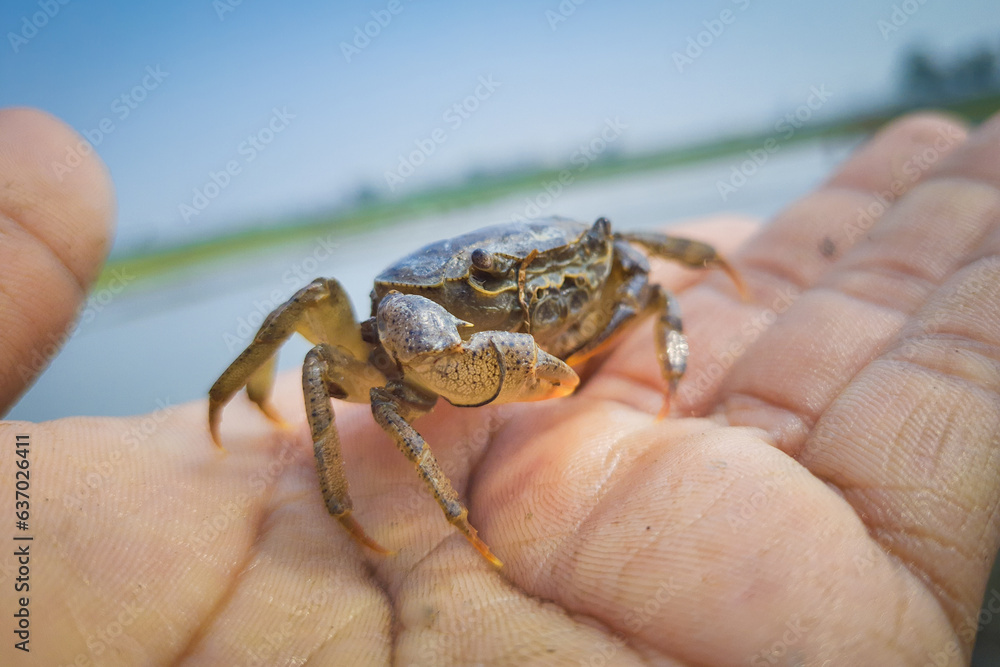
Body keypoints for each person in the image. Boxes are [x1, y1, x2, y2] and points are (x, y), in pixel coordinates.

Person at [1, 106, 997, 666]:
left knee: (644, 286)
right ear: (465, 287)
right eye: (498, 286)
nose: (543, 290)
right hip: (434, 342)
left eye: (573, 262)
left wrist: (675, 333)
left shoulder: (595, 264)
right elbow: (341, 345)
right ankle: (327, 485)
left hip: (552, 334)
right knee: (319, 345)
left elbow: (644, 272)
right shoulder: (399, 325)